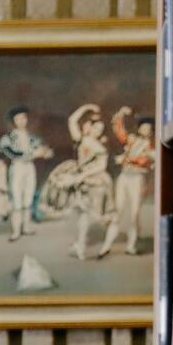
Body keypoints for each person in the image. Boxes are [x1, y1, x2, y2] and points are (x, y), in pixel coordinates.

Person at [63, 103, 114, 261]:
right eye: (95, 128)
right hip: (84, 181)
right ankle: (81, 245)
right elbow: (72, 120)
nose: (97, 131)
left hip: (96, 181)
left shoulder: (100, 148)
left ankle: (84, 245)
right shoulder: (81, 139)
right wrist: (86, 107)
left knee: (94, 214)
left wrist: (82, 176)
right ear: (89, 127)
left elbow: (101, 166)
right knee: (83, 214)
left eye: (100, 129)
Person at [101, 106, 154, 257]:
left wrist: (126, 159)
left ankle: (131, 245)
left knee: (134, 213)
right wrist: (121, 114)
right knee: (117, 210)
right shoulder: (132, 140)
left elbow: (144, 161)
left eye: (148, 128)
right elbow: (119, 131)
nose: (146, 130)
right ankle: (107, 245)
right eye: (143, 128)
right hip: (124, 177)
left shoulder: (150, 147)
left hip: (137, 179)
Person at [0, 106, 54, 241]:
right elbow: (14, 155)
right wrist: (35, 153)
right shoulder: (7, 139)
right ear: (13, 121)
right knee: (16, 198)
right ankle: (16, 231)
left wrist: (46, 152)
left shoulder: (32, 138)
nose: (21, 121)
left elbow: (44, 150)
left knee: (28, 197)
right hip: (17, 168)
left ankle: (26, 227)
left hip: (29, 168)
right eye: (18, 119)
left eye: (24, 118)